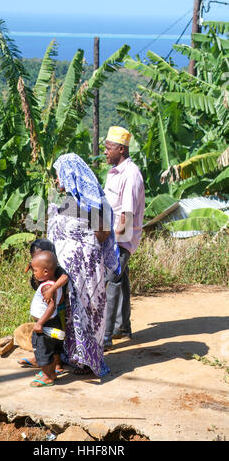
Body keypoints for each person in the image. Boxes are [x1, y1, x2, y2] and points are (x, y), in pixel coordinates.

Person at [47, 153, 120, 377]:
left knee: (89, 313)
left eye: (59, 175)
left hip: (87, 271)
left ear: (70, 175)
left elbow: (101, 234)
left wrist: (80, 250)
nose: (57, 180)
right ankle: (76, 356)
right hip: (69, 272)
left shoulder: (96, 203)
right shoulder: (68, 201)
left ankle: (89, 361)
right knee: (71, 316)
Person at [103, 126, 145, 350]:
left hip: (121, 238)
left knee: (110, 282)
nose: (105, 152)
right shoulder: (116, 171)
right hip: (115, 236)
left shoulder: (130, 175)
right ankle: (123, 327)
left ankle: (106, 337)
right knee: (121, 279)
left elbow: (126, 217)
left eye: (108, 148)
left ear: (121, 149)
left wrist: (108, 239)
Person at [18, 239, 68, 375]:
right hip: (47, 313)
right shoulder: (42, 269)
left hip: (50, 315)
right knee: (48, 345)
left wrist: (53, 289)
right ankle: (47, 366)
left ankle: (50, 372)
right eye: (33, 257)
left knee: (46, 347)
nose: (35, 259)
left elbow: (65, 278)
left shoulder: (55, 271)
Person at [28, 250, 65, 387]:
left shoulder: (47, 287)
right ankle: (51, 373)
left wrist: (40, 323)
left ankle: (47, 376)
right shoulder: (55, 283)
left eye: (35, 270)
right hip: (52, 321)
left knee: (43, 349)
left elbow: (52, 305)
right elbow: (59, 300)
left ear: (45, 272)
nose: (33, 273)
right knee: (52, 348)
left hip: (45, 323)